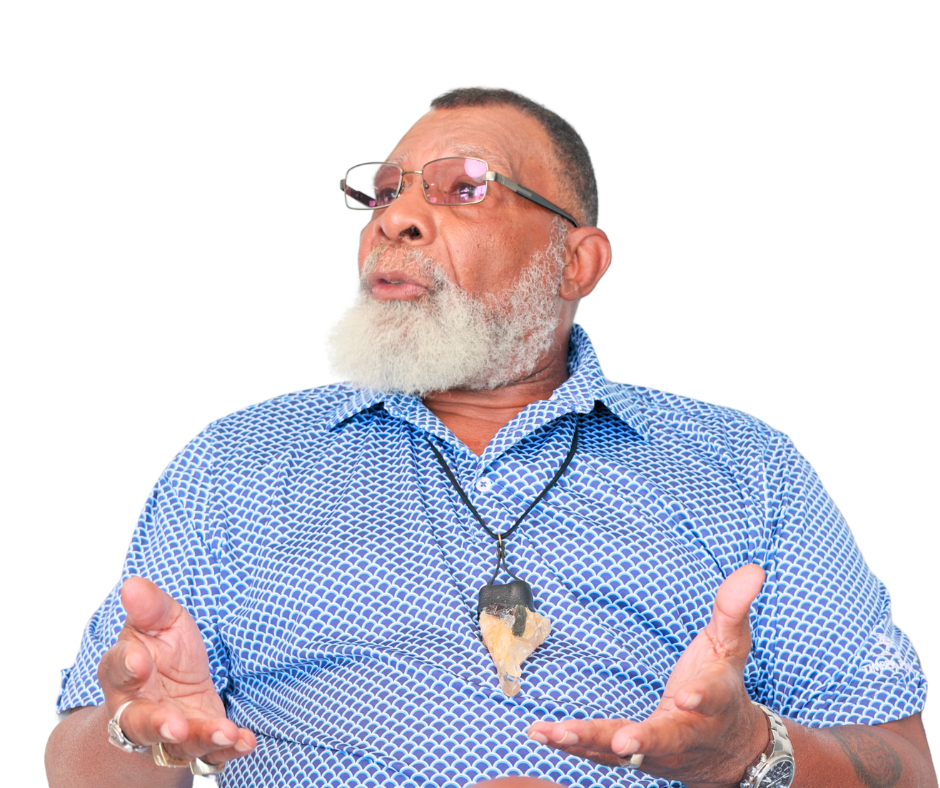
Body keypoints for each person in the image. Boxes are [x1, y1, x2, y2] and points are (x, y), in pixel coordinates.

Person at [45, 86, 934, 788]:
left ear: (578, 263)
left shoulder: (746, 470)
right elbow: (73, 766)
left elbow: (902, 764)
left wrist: (743, 753)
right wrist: (138, 736)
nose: (394, 218)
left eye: (463, 188)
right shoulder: (235, 462)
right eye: (383, 191)